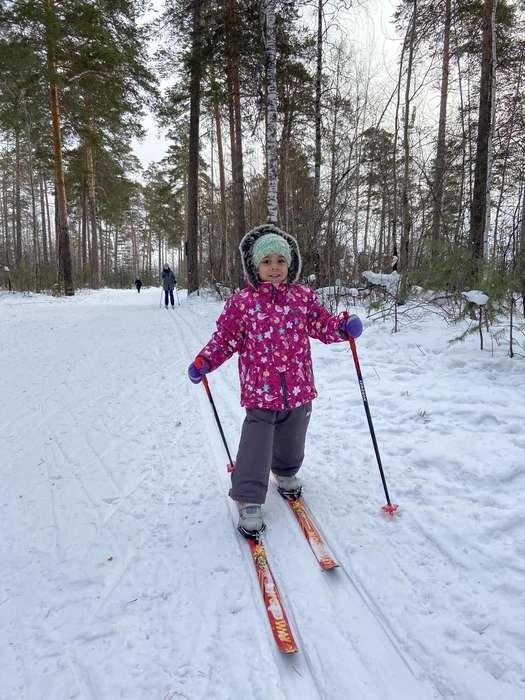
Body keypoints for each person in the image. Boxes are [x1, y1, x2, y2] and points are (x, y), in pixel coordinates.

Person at [187, 224, 363, 536]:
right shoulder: (242, 303)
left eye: (280, 261)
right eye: (266, 261)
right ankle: (249, 496)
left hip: (298, 384)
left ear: (290, 263)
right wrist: (205, 360)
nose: (274, 268)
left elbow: (322, 324)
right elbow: (225, 340)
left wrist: (342, 328)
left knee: (294, 434)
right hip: (260, 388)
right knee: (257, 442)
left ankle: (285, 472)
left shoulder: (302, 298)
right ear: (255, 266)